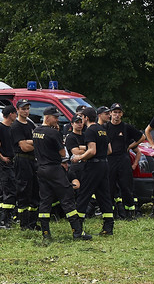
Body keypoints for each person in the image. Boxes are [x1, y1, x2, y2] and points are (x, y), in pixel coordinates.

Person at [33, 107, 91, 241]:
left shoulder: (36, 131)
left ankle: (45, 233)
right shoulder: (53, 133)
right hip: (54, 169)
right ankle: (77, 232)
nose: (58, 120)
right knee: (67, 198)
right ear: (47, 117)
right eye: (56, 117)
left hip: (41, 169)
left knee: (45, 201)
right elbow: (63, 153)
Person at [72, 107, 115, 236]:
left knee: (84, 195)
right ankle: (108, 227)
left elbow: (92, 150)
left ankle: (78, 228)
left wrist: (79, 157)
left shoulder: (90, 131)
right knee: (104, 196)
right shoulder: (102, 130)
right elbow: (109, 151)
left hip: (93, 167)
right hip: (104, 165)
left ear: (86, 118)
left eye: (82, 117)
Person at [106, 103, 143, 220]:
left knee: (126, 186)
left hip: (123, 158)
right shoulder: (105, 127)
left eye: (119, 112)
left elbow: (142, 137)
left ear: (122, 114)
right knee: (110, 187)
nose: (117, 115)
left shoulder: (126, 127)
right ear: (110, 113)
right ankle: (112, 214)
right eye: (114, 112)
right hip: (110, 159)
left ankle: (130, 213)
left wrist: (130, 146)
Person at [11, 99, 38, 229]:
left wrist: (31, 142)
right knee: (23, 190)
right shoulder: (16, 126)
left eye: (27, 108)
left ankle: (32, 223)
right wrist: (36, 143)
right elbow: (24, 147)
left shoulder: (30, 125)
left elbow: (32, 143)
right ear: (17, 110)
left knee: (34, 191)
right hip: (22, 160)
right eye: (23, 109)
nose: (26, 111)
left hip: (32, 161)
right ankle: (24, 223)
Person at [0, 105, 18, 230]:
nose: (16, 115)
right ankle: (3, 221)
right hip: (4, 164)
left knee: (7, 191)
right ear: (11, 114)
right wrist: (1, 157)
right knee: (8, 191)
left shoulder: (12, 128)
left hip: (12, 162)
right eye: (15, 113)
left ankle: (9, 217)